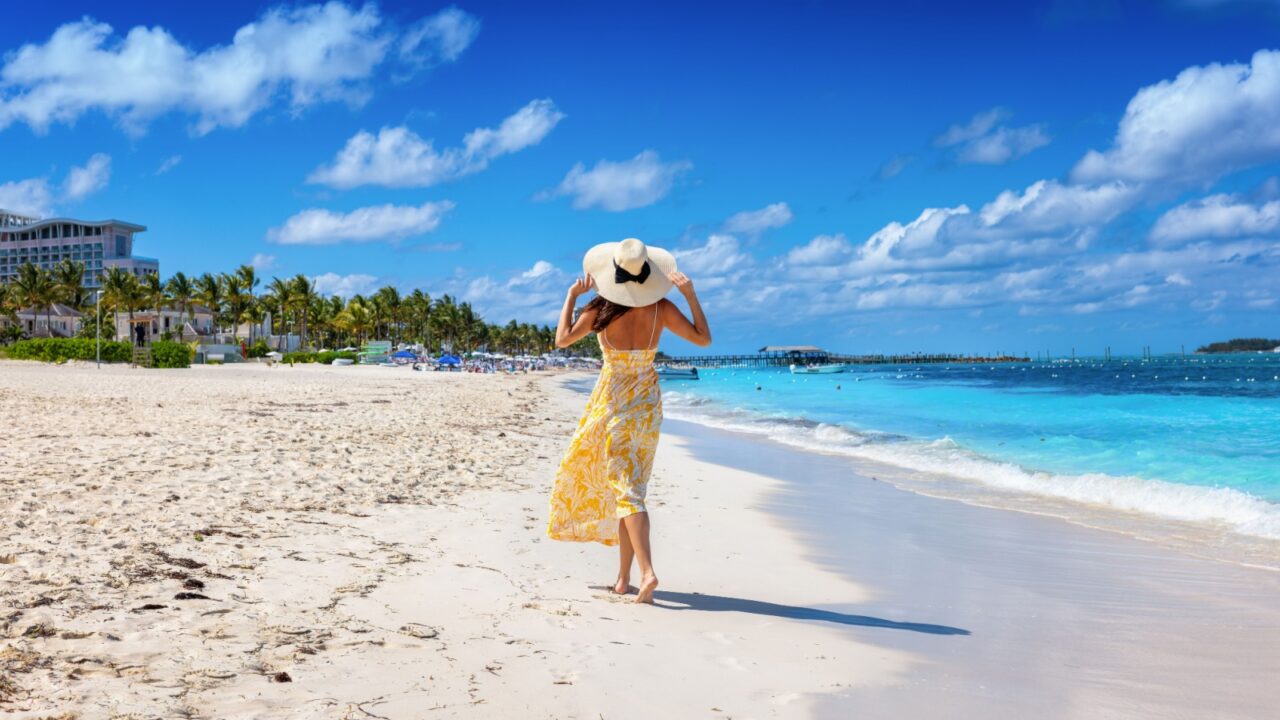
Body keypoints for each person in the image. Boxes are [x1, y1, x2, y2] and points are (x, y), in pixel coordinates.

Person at [547, 238, 712, 604]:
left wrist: (571, 297)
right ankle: (623, 579)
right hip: (647, 408)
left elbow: (561, 340)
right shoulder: (661, 309)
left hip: (613, 406)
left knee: (629, 492)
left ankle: (647, 573)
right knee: (630, 489)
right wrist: (690, 296)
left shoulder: (598, 311)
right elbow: (704, 339)